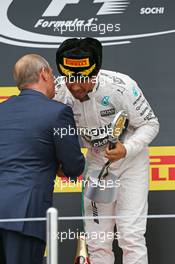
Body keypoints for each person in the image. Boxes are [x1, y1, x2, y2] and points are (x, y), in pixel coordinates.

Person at [54, 38, 159, 264]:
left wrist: (127, 149)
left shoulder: (122, 86)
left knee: (131, 235)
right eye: (70, 79)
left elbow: (151, 124)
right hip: (96, 164)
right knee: (97, 239)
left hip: (131, 164)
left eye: (83, 79)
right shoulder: (57, 90)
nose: (76, 86)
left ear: (96, 72)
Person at [0, 54, 85, 264]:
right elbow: (74, 167)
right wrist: (55, 164)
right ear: (44, 73)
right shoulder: (57, 113)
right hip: (25, 214)